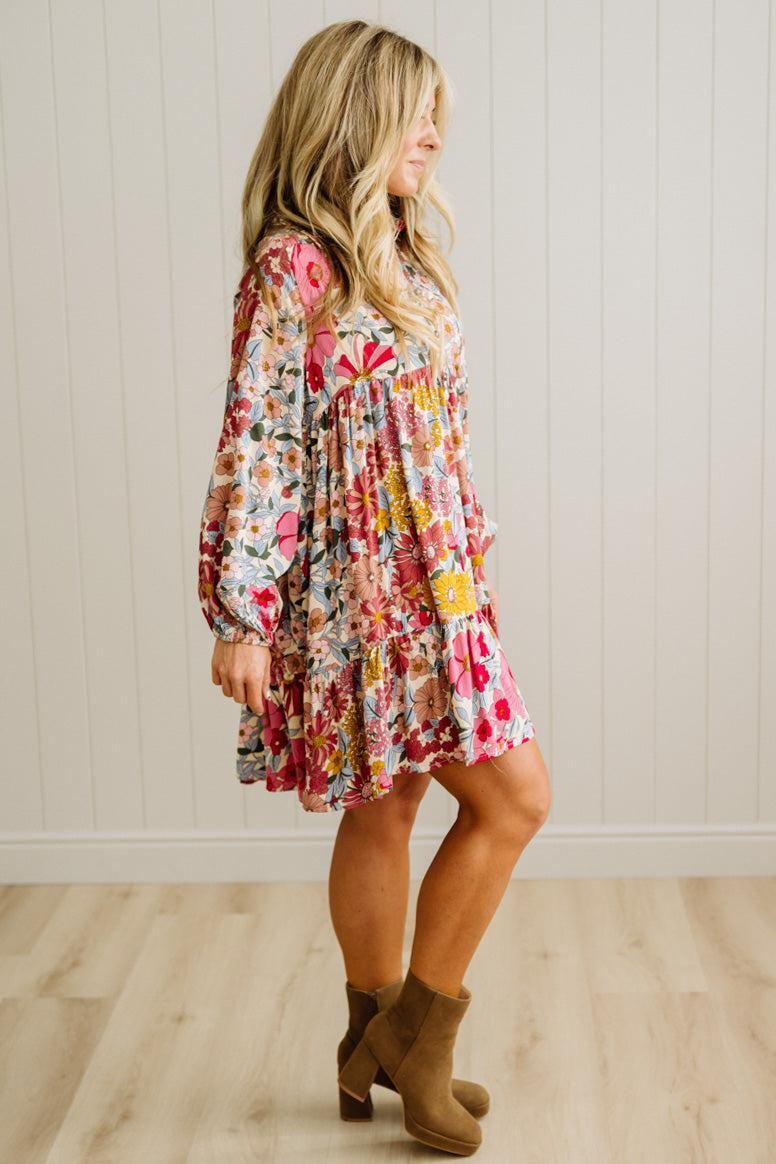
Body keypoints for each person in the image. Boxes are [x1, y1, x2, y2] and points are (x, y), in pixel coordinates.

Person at [197, 18, 551, 1156]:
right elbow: (260, 442)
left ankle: (384, 1045)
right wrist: (242, 615)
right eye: (416, 112)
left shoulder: (398, 251)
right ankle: (407, 1040)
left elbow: (428, 431)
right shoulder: (296, 264)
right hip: (358, 598)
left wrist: (467, 545)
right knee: (481, 799)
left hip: (433, 587)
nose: (435, 136)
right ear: (356, 118)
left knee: (420, 801)